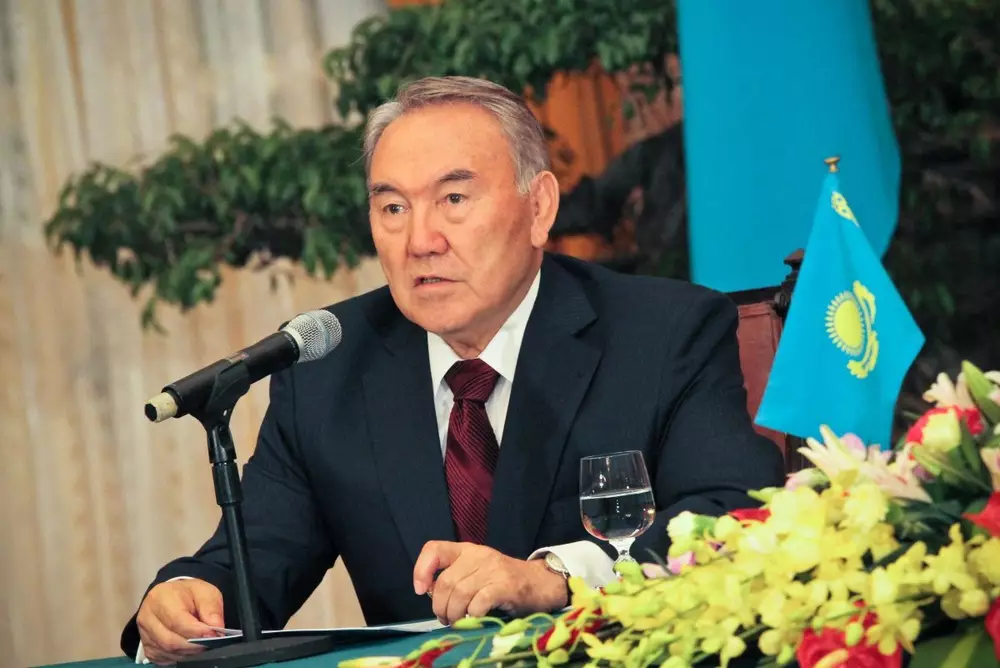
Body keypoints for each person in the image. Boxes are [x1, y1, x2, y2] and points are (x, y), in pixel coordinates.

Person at [124, 75, 784, 665]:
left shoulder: (661, 332)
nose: (421, 240)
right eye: (393, 208)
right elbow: (258, 556)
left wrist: (558, 578)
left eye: (455, 198)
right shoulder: (327, 369)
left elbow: (730, 513)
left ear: (539, 207)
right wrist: (192, 596)